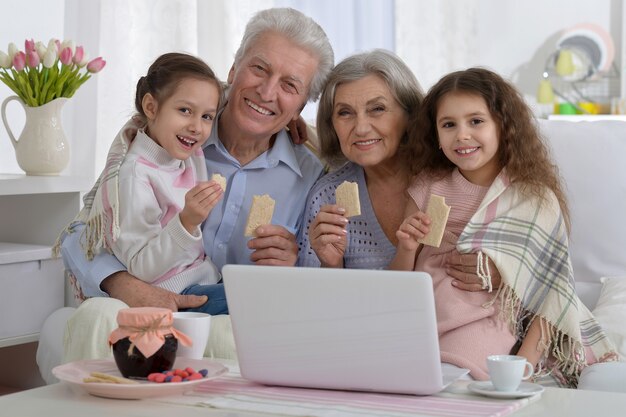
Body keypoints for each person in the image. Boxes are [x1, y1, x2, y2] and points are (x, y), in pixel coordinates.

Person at [60, 7, 334, 313]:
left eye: (289, 85)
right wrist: (124, 285)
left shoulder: (314, 174)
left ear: (300, 106)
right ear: (233, 69)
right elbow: (81, 234)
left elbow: (321, 283)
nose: (267, 92)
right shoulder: (166, 139)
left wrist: (292, 267)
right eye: (259, 68)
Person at [390, 67, 617, 386]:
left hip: (483, 323)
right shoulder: (427, 187)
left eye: (476, 121)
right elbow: (398, 287)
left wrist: (522, 364)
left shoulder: (532, 198)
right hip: (419, 320)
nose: (462, 135)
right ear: (436, 135)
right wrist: (406, 247)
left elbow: (553, 292)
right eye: (449, 125)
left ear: (503, 126)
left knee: (449, 383)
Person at [297, 50, 502, 292]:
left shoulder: (460, 176)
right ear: (332, 124)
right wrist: (330, 266)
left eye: (377, 109)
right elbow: (311, 305)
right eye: (345, 113)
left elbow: (538, 263)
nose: (361, 128)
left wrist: (505, 274)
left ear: (410, 115)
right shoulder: (326, 196)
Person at [76, 52, 231, 314]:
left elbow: (229, 102)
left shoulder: (187, 152)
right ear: (150, 107)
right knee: (258, 302)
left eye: (207, 117)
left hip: (206, 278)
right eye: (185, 111)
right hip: (172, 292)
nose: (197, 127)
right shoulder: (135, 176)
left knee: (263, 291)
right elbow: (141, 267)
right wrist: (186, 222)